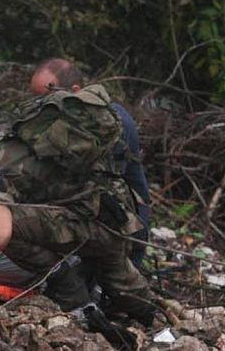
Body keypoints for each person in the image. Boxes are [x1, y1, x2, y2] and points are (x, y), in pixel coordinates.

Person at [0, 122, 155, 333]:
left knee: (5, 225)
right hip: (114, 213)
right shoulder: (8, 139)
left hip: (93, 227)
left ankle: (72, 294)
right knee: (129, 293)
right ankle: (148, 315)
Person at [29, 58, 152, 255]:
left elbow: (97, 190)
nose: (41, 107)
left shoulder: (110, 123)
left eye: (45, 99)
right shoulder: (60, 124)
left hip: (119, 227)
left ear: (75, 91)